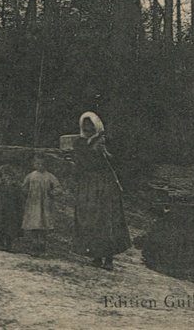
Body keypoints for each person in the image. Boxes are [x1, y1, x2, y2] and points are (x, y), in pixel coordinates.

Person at [72, 111, 131, 270]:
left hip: (105, 186)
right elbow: (82, 163)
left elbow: (116, 161)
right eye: (85, 127)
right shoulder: (79, 143)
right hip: (88, 186)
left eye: (91, 126)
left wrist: (104, 149)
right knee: (90, 219)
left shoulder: (106, 141)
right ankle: (96, 256)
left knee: (106, 220)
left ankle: (109, 258)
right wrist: (92, 146)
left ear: (97, 126)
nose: (87, 129)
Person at [22, 153, 62, 255]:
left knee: (43, 225)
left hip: (45, 204)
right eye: (37, 164)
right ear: (34, 164)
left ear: (46, 165)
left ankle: (42, 246)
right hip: (33, 203)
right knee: (34, 224)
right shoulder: (31, 175)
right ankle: (34, 246)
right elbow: (24, 187)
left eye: (42, 164)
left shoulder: (49, 176)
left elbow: (58, 188)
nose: (40, 166)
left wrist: (52, 193)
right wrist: (25, 193)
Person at [0, 164, 24, 252]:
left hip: (12, 211)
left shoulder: (16, 187)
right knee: (0, 226)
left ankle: (9, 244)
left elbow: (20, 199)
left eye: (9, 175)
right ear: (1, 176)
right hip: (0, 210)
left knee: (11, 228)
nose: (7, 177)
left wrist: (20, 209)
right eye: (4, 175)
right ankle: (0, 243)